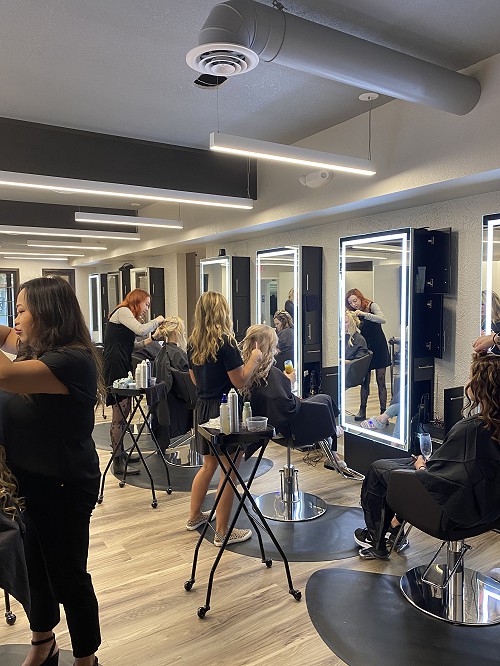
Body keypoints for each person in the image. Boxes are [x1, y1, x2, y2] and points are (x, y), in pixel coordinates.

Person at [0, 277, 103, 666]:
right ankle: (43, 641)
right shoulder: (36, 349)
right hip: (28, 481)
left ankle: (86, 658)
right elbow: (7, 336)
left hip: (63, 484)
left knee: (68, 575)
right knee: (34, 568)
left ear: (46, 313)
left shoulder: (72, 359)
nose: (17, 319)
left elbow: (5, 376)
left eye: (23, 310)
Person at [354, 353, 500, 560]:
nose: (466, 382)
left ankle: (376, 539)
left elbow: (437, 480)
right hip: (489, 511)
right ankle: (393, 527)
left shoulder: (470, 428)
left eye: (470, 377)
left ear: (479, 386)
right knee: (396, 466)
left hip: (451, 512)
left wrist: (422, 467)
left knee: (379, 469)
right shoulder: (488, 426)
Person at [187, 292, 262, 546]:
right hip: (223, 412)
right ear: (223, 311)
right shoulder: (226, 342)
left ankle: (195, 516)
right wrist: (254, 358)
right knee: (230, 471)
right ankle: (222, 531)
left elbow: (195, 379)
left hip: (202, 408)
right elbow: (240, 381)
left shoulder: (193, 342)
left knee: (208, 466)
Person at [240, 324, 361, 479]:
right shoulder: (272, 374)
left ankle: (333, 444)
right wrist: (289, 382)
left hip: (273, 426)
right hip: (290, 428)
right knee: (324, 400)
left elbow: (277, 402)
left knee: (324, 399)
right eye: (274, 346)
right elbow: (285, 407)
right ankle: (332, 431)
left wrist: (288, 388)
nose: (277, 350)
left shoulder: (249, 371)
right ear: (268, 346)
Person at [103, 288, 165, 475]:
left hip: (122, 362)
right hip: (115, 366)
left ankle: (121, 452)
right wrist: (158, 320)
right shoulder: (123, 312)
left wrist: (153, 338)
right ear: (136, 302)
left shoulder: (126, 318)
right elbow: (140, 330)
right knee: (119, 414)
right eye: (146, 304)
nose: (146, 308)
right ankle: (117, 460)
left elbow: (134, 346)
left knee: (125, 410)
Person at [346, 288, 390, 420]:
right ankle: (362, 410)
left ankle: (384, 413)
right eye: (351, 303)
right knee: (364, 380)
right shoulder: (353, 312)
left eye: (355, 300)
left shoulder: (371, 305)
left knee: (381, 380)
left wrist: (364, 314)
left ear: (360, 298)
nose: (354, 304)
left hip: (379, 346)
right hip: (365, 347)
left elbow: (382, 319)